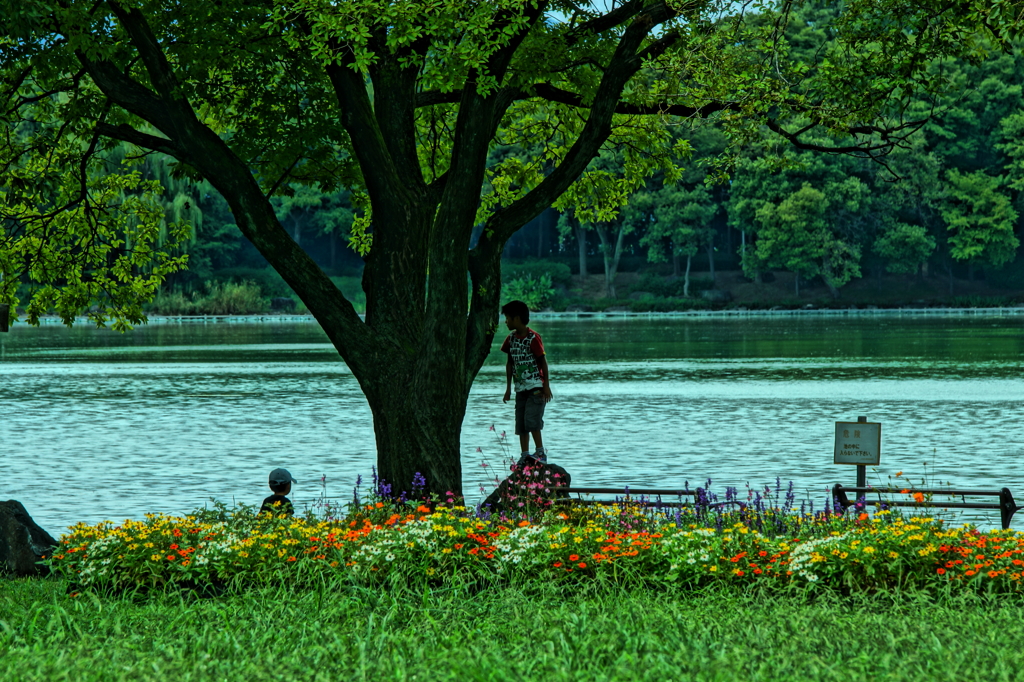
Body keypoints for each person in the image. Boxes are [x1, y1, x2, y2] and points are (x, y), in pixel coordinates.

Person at [500, 300, 552, 464]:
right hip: (520, 389)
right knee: (521, 422)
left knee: (532, 420)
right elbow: (510, 363)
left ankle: (540, 453)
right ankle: (524, 455)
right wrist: (508, 388)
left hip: (536, 387)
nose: (506, 321)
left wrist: (546, 386)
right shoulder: (510, 339)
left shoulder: (533, 338)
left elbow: (543, 362)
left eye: (507, 318)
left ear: (516, 318)